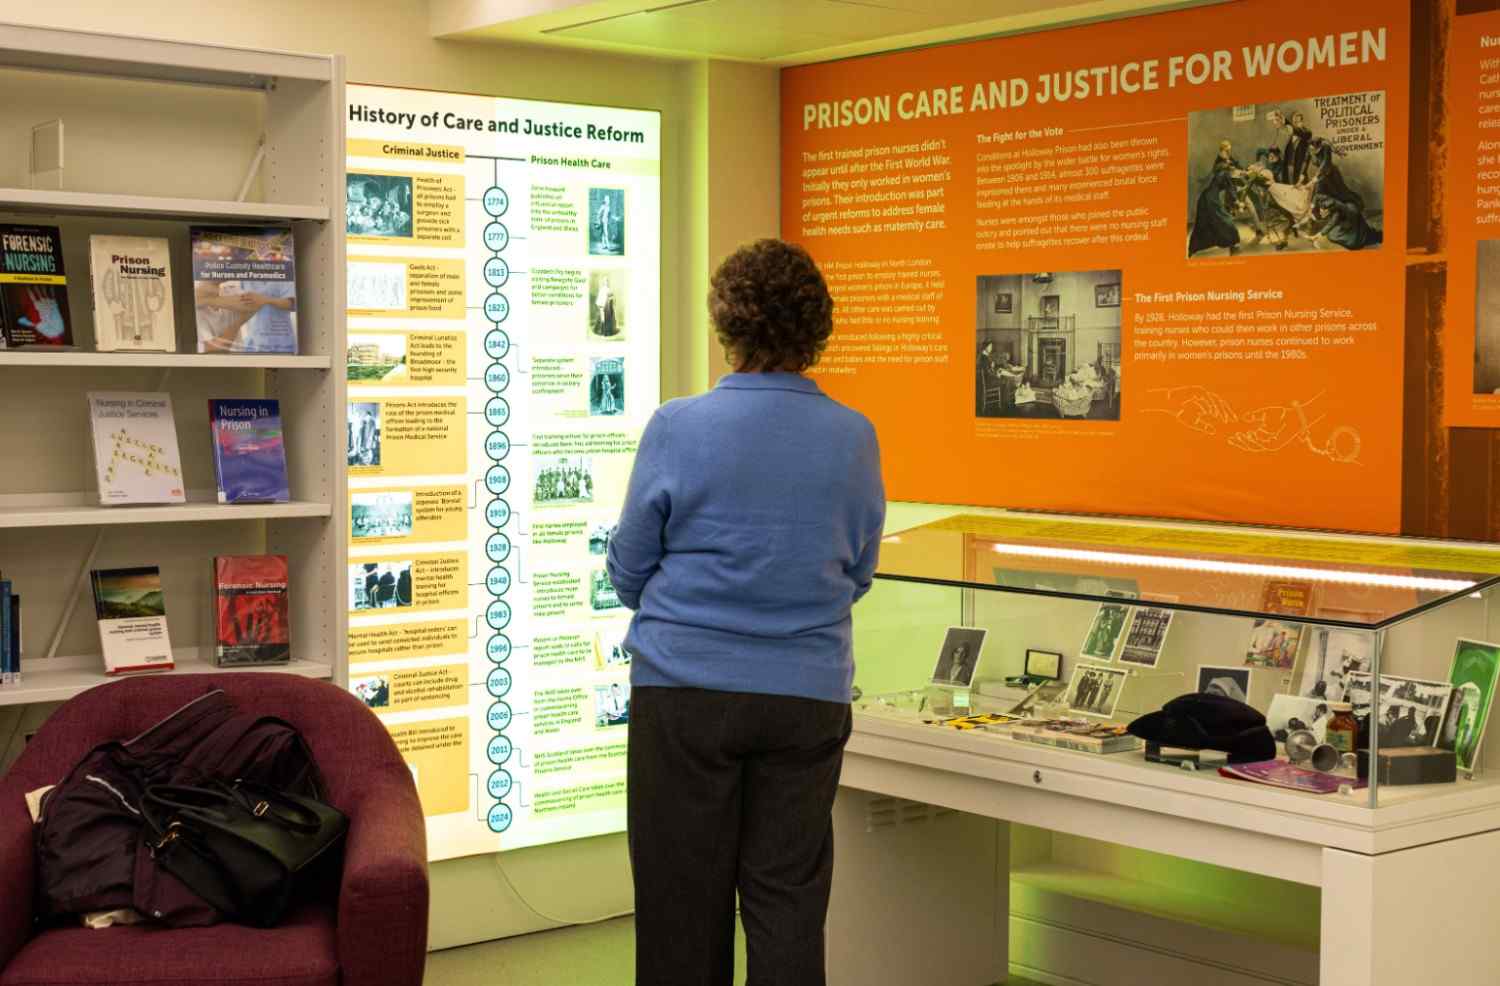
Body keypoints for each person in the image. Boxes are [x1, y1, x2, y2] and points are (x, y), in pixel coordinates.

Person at [607, 238, 885, 986]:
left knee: (680, 903)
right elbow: (859, 569)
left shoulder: (677, 426)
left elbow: (629, 567)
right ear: (815, 328)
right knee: (787, 905)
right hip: (807, 696)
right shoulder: (855, 436)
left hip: (684, 694)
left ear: (726, 323)